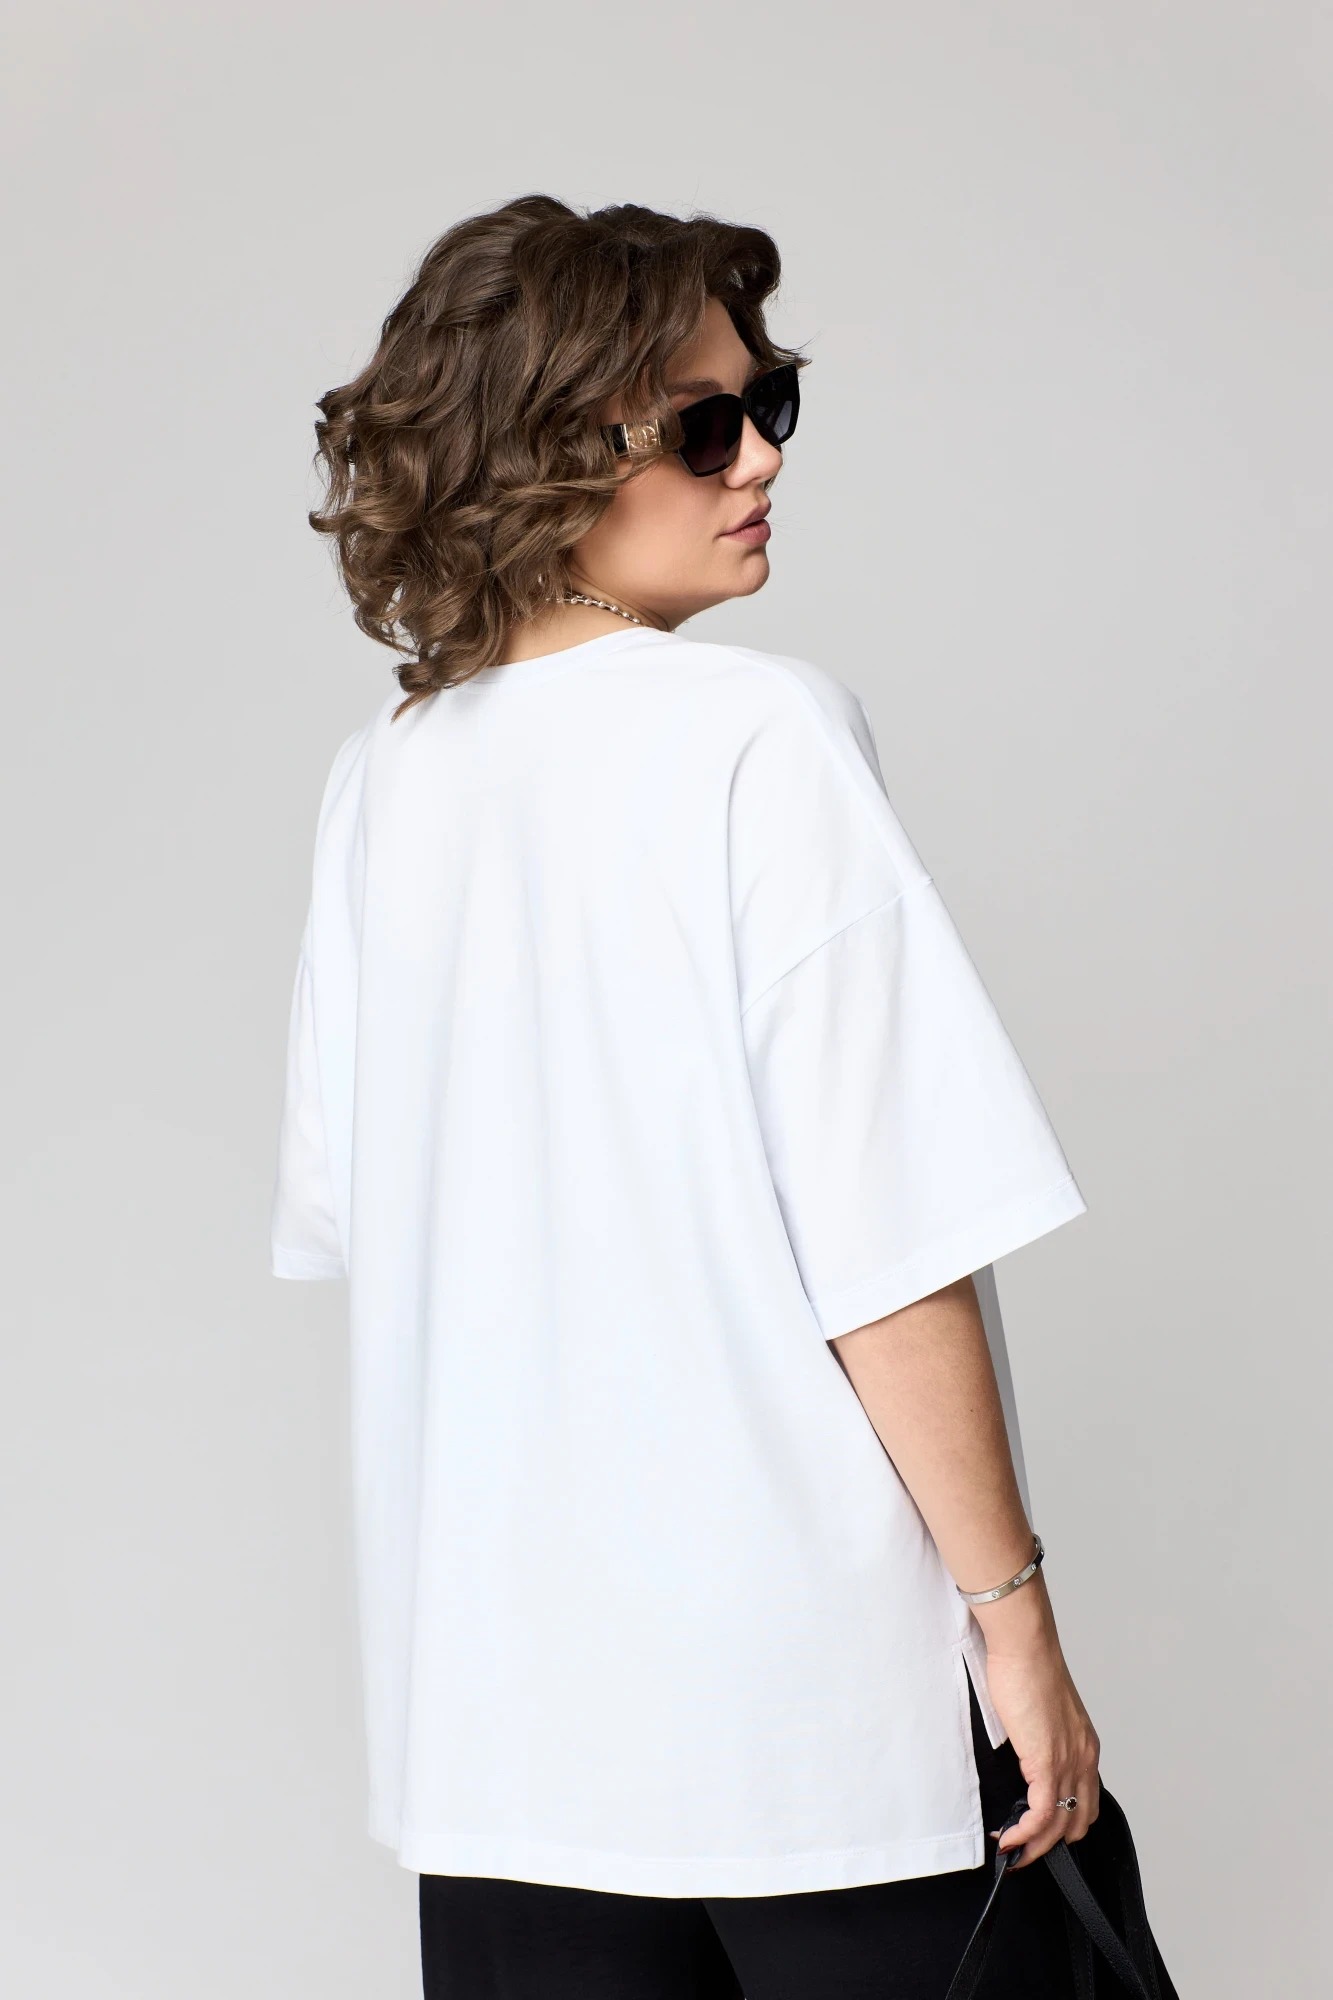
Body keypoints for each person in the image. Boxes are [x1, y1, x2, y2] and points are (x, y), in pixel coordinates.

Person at [271, 195, 1100, 1999]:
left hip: (502, 1734)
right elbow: (889, 1244)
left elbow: (375, 1224)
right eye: (707, 426)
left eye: (770, 403)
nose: (762, 460)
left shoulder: (381, 783)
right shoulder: (757, 732)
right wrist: (1013, 1620)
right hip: (809, 1724)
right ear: (554, 453)